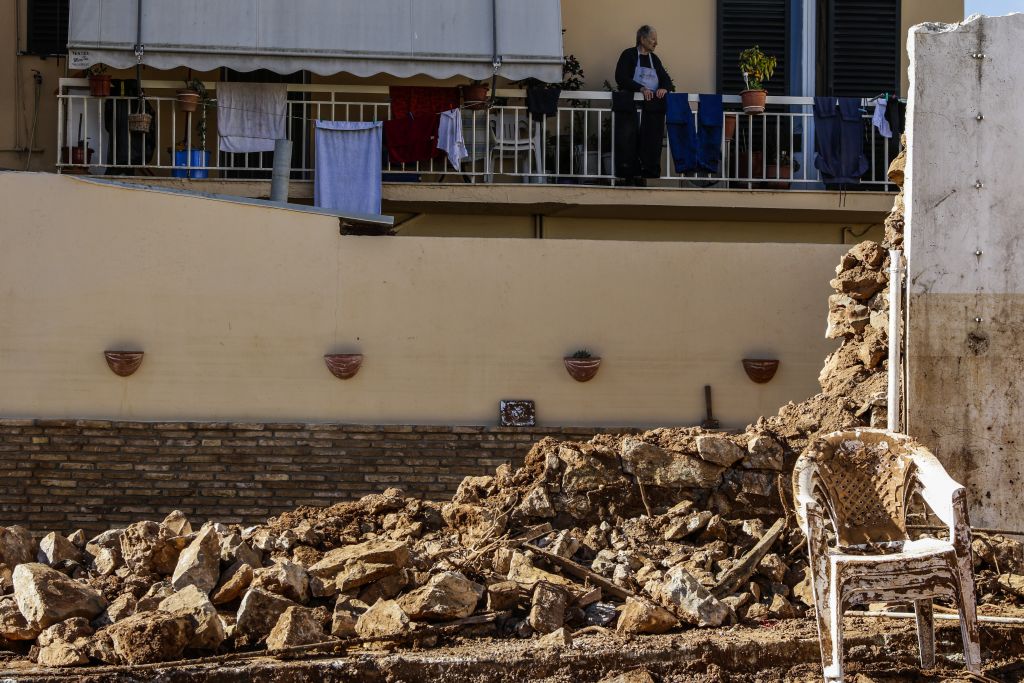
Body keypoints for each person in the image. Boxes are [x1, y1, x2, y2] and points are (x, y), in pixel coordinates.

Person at [613, 25, 673, 184]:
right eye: (653, 39)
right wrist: (640, 88)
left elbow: (666, 79)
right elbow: (621, 77)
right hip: (631, 108)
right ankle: (628, 174)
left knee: (650, 141)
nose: (656, 43)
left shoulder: (655, 59)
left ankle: (645, 173)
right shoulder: (629, 55)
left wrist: (664, 89)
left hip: (650, 110)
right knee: (627, 140)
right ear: (642, 39)